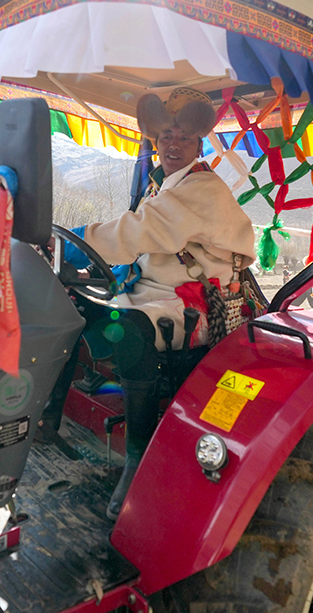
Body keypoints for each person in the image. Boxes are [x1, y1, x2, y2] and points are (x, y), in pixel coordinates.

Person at [48, 87, 256, 519]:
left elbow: (138, 232)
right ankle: (48, 420)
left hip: (193, 306)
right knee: (72, 302)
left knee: (131, 332)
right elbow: (145, 248)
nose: (172, 144)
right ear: (155, 142)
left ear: (199, 145)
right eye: (164, 136)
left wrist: (73, 241)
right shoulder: (166, 186)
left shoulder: (202, 190)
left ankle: (138, 458)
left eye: (182, 137)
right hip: (150, 291)